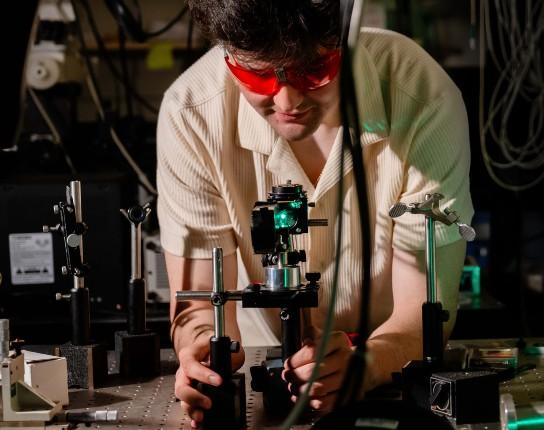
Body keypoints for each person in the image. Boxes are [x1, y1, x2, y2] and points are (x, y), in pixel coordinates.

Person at [157, 0, 473, 427]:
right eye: (258, 75)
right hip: (260, 374)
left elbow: (423, 310)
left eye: (313, 71)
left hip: (391, 380)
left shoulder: (418, 94)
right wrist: (202, 355)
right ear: (229, 56)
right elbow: (197, 303)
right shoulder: (191, 113)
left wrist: (367, 363)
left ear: (344, 36)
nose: (287, 100)